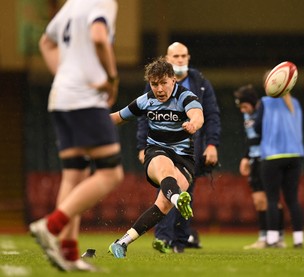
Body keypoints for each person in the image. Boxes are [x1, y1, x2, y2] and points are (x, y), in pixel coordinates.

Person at [29, 0, 123, 272]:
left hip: (61, 97)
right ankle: (50, 226)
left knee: (75, 174)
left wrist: (66, 75)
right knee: (111, 173)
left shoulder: (72, 4)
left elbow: (46, 43)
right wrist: (112, 79)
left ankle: (68, 254)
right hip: (85, 100)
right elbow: (98, 36)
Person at [108, 57, 204, 258]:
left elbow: (197, 115)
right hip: (157, 152)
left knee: (162, 206)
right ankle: (178, 198)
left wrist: (193, 124)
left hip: (185, 159)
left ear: (173, 80)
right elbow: (117, 117)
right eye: (154, 84)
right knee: (165, 168)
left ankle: (122, 243)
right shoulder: (146, 100)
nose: (159, 89)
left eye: (163, 83)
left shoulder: (186, 97)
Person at [137, 42, 221, 253]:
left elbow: (212, 115)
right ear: (167, 59)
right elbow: (142, 117)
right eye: (176, 56)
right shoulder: (154, 84)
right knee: (166, 192)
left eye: (183, 56)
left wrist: (212, 144)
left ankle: (180, 242)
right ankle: (163, 239)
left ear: (188, 58)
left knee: (185, 196)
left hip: (190, 151)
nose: (180, 60)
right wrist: (141, 146)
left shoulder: (200, 82)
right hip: (161, 148)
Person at [233, 84, 286, 249]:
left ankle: (278, 237)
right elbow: (249, 139)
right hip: (254, 160)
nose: (243, 110)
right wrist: (245, 157)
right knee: (258, 201)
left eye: (244, 106)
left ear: (252, 102)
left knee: (272, 200)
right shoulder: (246, 117)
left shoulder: (266, 112)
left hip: (268, 158)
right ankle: (264, 237)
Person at [255, 81, 304, 248]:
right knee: (293, 199)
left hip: (272, 155)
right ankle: (299, 239)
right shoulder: (296, 102)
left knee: (272, 199)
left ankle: (272, 238)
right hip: (295, 155)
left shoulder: (265, 101)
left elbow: (257, 127)